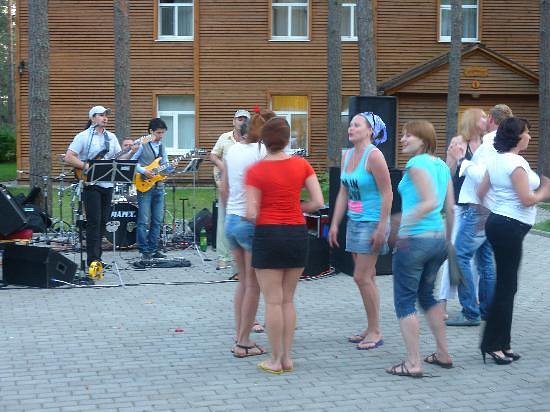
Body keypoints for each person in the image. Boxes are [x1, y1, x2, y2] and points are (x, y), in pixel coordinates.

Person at [245, 117, 324, 374]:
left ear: (263, 141)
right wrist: (296, 208)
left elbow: (251, 212)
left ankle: (275, 359)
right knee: (288, 300)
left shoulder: (255, 171)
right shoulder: (302, 165)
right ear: (288, 139)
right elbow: (318, 202)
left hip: (268, 234)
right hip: (296, 234)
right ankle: (287, 358)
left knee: (273, 301)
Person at [478, 117, 550, 364]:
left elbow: (481, 192)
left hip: (501, 223)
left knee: (507, 286)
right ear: (517, 136)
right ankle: (493, 345)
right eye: (527, 132)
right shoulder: (516, 163)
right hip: (509, 226)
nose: (530, 136)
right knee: (506, 287)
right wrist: (545, 191)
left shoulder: (498, 160)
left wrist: (496, 211)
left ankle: (503, 343)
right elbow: (527, 200)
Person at [386, 120, 454, 378]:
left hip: (414, 241)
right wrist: (448, 240)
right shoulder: (442, 166)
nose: (403, 139)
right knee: (427, 296)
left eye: (409, 136)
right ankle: (443, 354)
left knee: (405, 301)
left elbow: (428, 202)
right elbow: (450, 208)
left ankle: (413, 363)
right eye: (403, 134)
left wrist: (397, 223)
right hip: (437, 241)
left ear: (424, 140)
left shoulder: (416, 164)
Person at [328, 112, 392, 350]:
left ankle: (376, 332)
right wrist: (335, 223)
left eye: (357, 125)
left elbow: (387, 193)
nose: (351, 128)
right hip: (354, 221)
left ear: (370, 131)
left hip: (372, 222)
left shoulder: (374, 156)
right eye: (350, 124)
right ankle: (370, 327)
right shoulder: (347, 155)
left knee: (361, 277)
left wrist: (382, 226)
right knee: (368, 277)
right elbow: (344, 191)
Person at [221, 109, 275, 358]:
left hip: (231, 219)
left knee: (243, 281)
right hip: (250, 221)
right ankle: (243, 342)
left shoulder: (232, 151)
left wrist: (229, 212)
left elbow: (224, 188)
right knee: (254, 284)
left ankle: (239, 333)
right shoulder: (260, 153)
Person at [441, 108, 489, 326]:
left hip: (482, 207)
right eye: (482, 116)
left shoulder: (487, 143)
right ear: (472, 120)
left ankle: (475, 303)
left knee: (479, 260)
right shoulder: (459, 141)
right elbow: (448, 172)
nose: (486, 119)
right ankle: (443, 302)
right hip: (461, 206)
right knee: (455, 255)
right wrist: (454, 157)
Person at [64, 105, 123, 277]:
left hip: (107, 184)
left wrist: (131, 151)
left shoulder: (111, 137)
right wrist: (86, 166)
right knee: (94, 222)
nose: (105, 118)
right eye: (101, 115)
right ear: (92, 118)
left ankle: (98, 259)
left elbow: (120, 157)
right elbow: (69, 157)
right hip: (90, 184)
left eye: (106, 115)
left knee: (103, 222)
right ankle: (92, 260)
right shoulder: (83, 136)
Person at [210, 109, 251, 270]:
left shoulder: (253, 141)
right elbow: (213, 155)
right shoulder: (224, 138)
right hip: (226, 184)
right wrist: (223, 167)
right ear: (234, 121)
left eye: (245, 119)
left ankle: (241, 257)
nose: (242, 122)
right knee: (223, 220)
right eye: (239, 119)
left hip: (245, 186)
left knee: (244, 220)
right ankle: (223, 257)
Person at [131, 118, 174, 260]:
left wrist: (170, 168)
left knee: (157, 220)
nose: (161, 136)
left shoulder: (162, 146)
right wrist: (144, 171)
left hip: (158, 186)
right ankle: (144, 250)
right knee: (143, 220)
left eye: (163, 133)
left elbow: (165, 165)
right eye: (158, 133)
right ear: (151, 131)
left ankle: (153, 249)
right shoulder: (142, 144)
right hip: (144, 185)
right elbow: (132, 162)